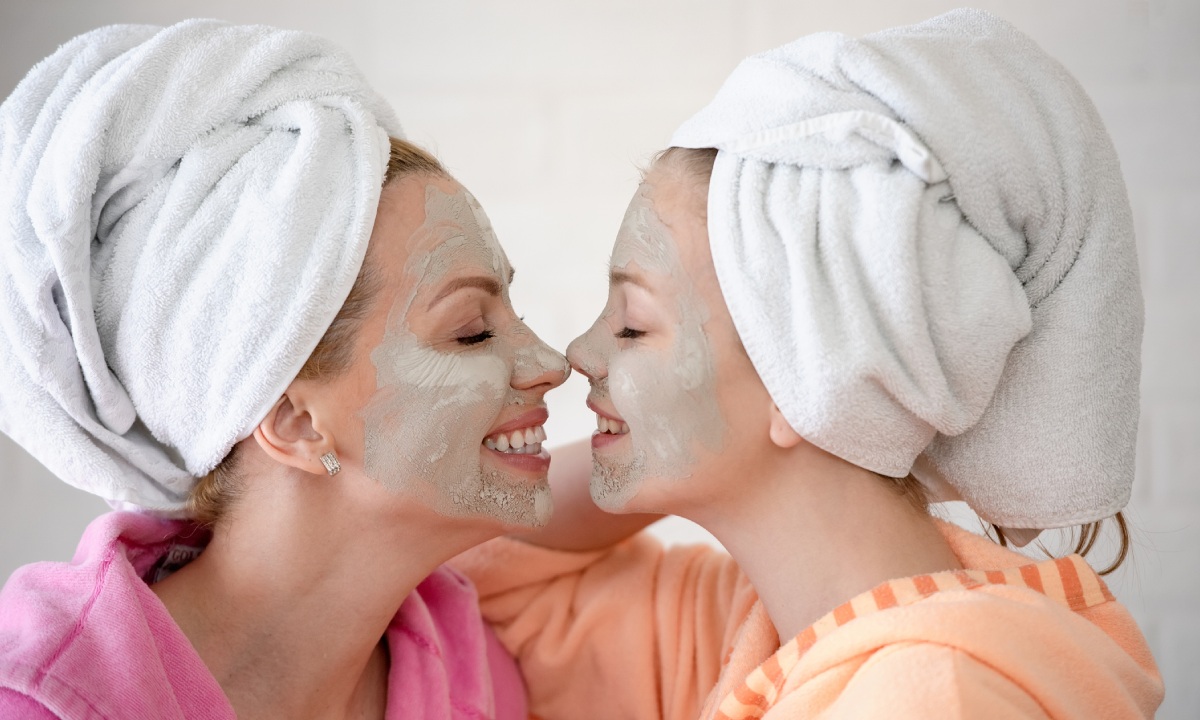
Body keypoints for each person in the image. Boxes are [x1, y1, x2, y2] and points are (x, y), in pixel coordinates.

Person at [451, 9, 1164, 719]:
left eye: (634, 325)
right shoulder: (758, 635)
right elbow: (473, 565)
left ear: (806, 381)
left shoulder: (929, 699)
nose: (579, 354)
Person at [0, 20, 568, 719]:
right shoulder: (45, 703)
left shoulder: (471, 679)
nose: (550, 363)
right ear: (297, 422)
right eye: (472, 332)